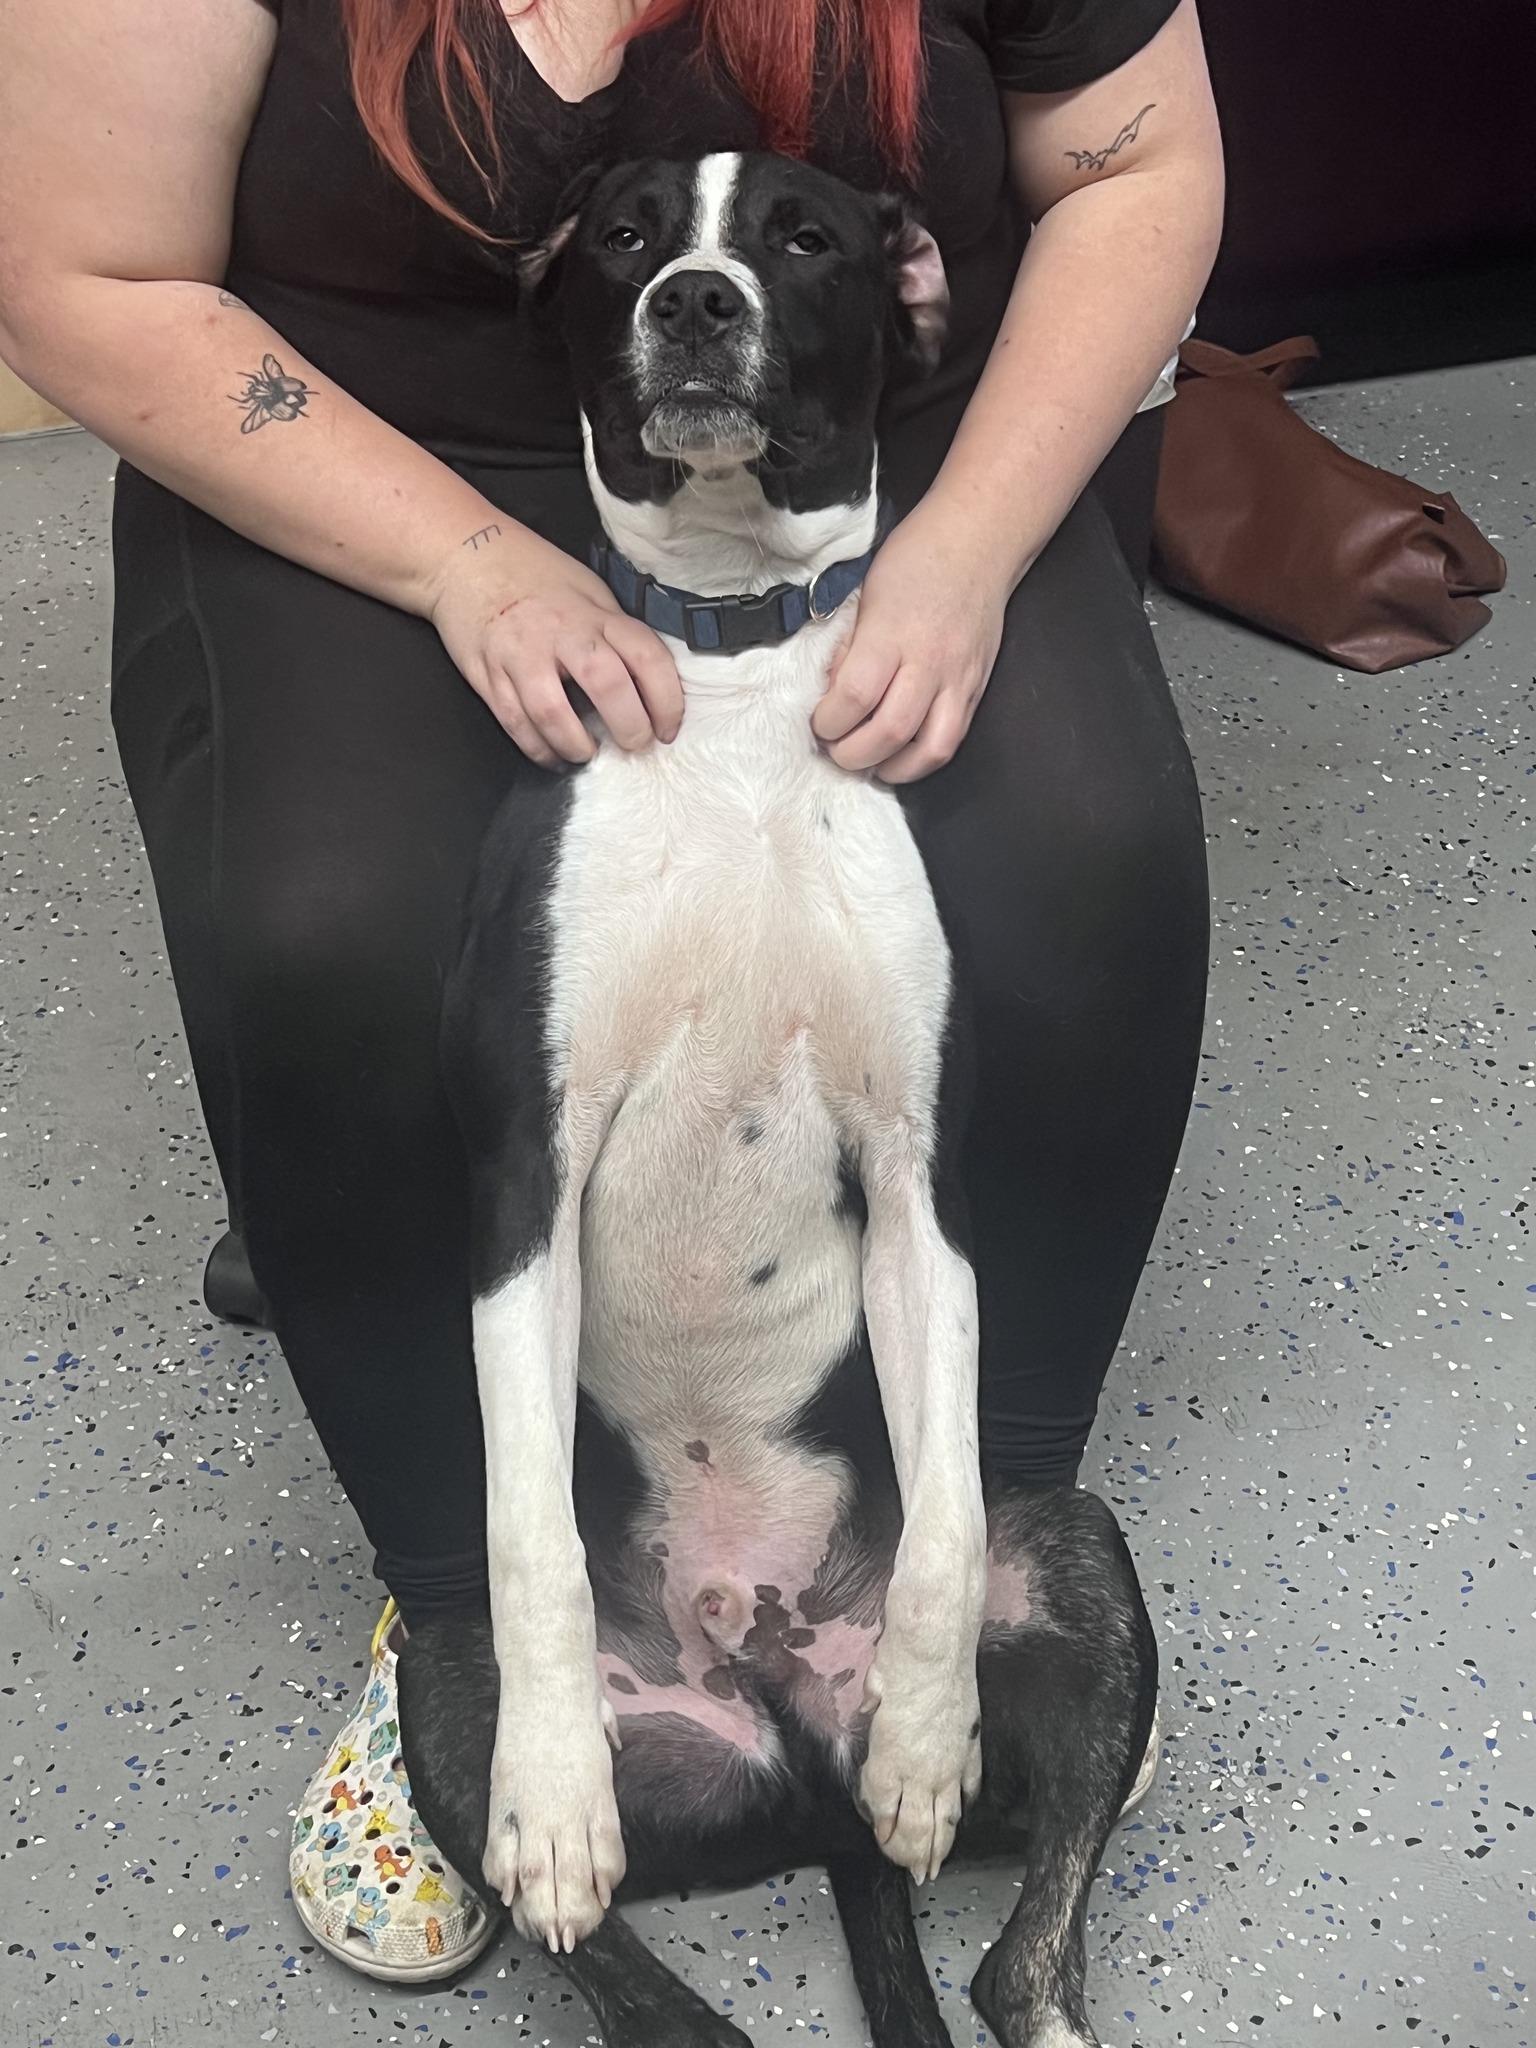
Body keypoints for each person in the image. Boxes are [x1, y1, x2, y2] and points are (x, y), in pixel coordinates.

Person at [0, 0, 1222, 1983]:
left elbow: (1141, 164)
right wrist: (471, 564)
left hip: (869, 450)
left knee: (1075, 846)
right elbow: (82, 268)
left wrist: (971, 550)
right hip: (370, 441)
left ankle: (954, 1565)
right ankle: (474, 1614)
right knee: (338, 922)